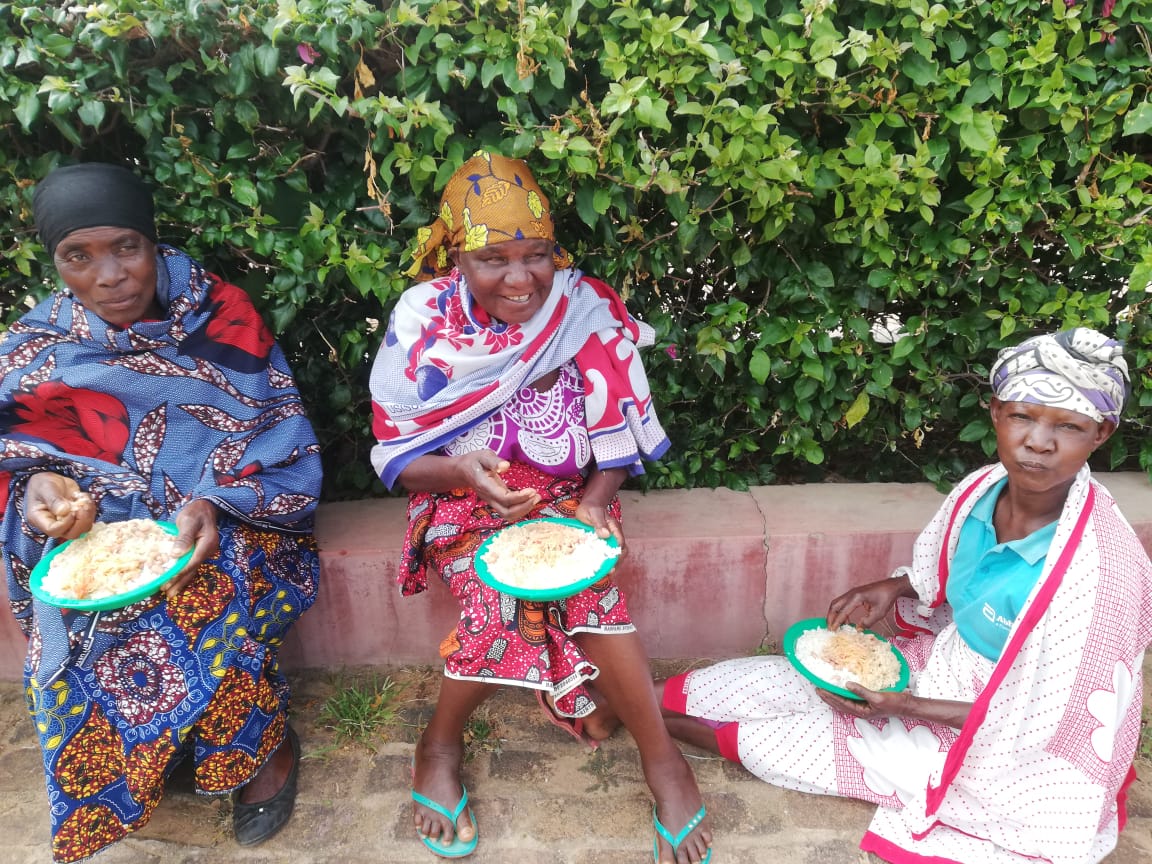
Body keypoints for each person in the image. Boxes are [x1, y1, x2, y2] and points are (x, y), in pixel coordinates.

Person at [657, 327, 1152, 864]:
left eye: (1069, 426)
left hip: (1001, 744)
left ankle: (641, 727)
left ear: (1101, 433)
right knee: (733, 685)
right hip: (938, 665)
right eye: (1022, 416)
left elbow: (1046, 722)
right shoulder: (981, 492)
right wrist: (895, 586)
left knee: (776, 743)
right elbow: (941, 571)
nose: (1038, 441)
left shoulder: (1099, 575)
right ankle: (630, 705)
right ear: (994, 412)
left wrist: (908, 707)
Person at [368, 151, 712, 863]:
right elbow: (399, 462)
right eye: (493, 258)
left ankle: (664, 763)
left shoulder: (583, 308)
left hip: (569, 499)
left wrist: (593, 505)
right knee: (501, 603)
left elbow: (618, 431)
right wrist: (463, 471)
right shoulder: (424, 323)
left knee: (587, 589)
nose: (520, 278)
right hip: (459, 499)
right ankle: (439, 745)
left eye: (536, 255)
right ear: (455, 254)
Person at [0, 163, 323, 862]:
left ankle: (260, 750)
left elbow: (279, 438)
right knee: (65, 589)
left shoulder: (221, 316)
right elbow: (18, 457)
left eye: (125, 247)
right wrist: (41, 493)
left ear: (152, 243)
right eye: (77, 257)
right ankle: (149, 751)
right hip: (105, 520)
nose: (109, 274)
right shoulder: (36, 344)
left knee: (203, 584)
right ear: (54, 262)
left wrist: (212, 501)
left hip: (230, 512)